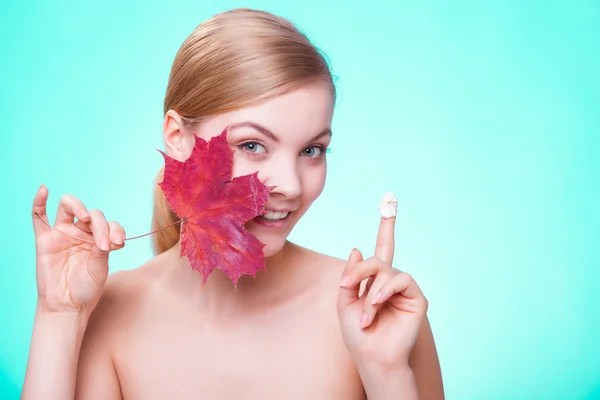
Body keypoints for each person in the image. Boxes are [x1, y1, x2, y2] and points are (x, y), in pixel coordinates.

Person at [22, 8, 444, 400]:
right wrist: (58, 317)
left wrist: (388, 375)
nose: (291, 186)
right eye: (253, 145)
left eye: (313, 150)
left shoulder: (378, 313)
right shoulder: (107, 311)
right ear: (177, 137)